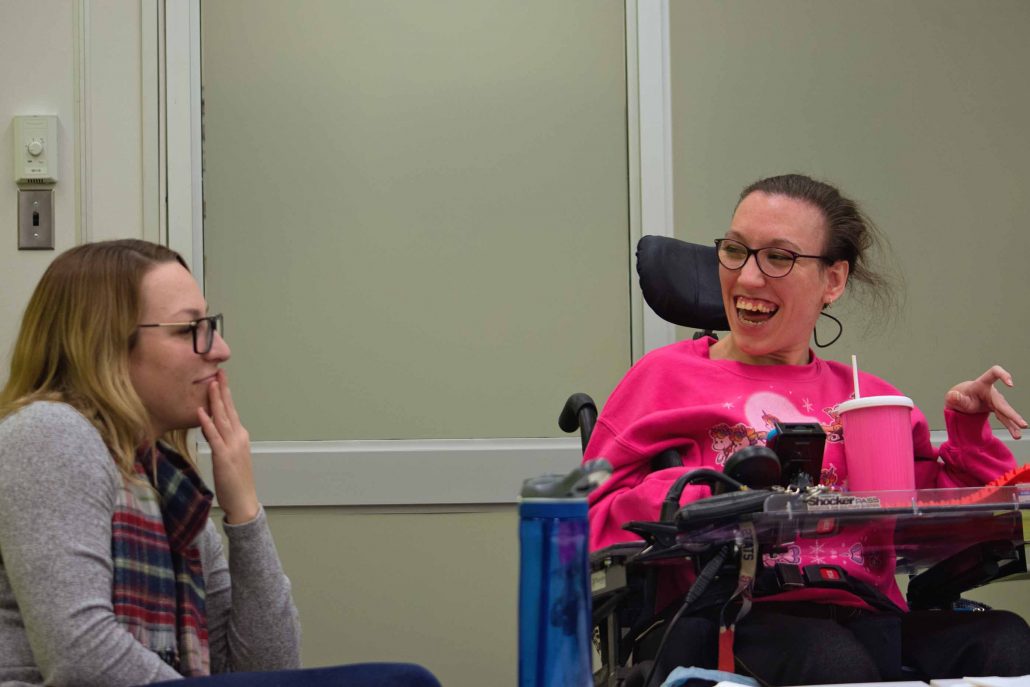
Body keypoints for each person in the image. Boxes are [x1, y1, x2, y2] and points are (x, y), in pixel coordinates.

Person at [584, 174, 1030, 686]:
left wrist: (968, 433)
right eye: (735, 250)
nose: (748, 278)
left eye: (779, 257)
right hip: (723, 617)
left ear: (833, 281)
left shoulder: (869, 398)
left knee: (1006, 640)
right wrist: (699, 497)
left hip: (868, 614)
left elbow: (959, 524)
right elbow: (586, 523)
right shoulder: (664, 378)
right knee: (832, 659)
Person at [0, 240, 440, 687]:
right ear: (105, 344)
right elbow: (81, 655)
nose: (220, 349)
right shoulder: (48, 432)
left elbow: (270, 667)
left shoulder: (168, 486)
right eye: (188, 330)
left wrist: (244, 510)